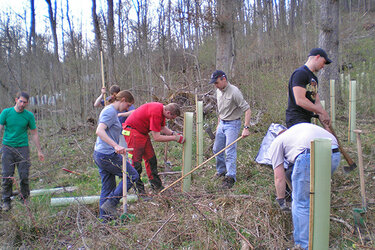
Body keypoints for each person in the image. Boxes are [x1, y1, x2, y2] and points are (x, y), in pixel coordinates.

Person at [268, 123, 341, 249]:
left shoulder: (276, 142)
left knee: (301, 203)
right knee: (317, 198)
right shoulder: (295, 131)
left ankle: (303, 245)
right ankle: (318, 239)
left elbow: (279, 177)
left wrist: (281, 200)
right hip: (334, 153)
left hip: (309, 155)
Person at [93, 90, 139, 220]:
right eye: (128, 105)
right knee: (132, 175)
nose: (128, 108)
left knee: (108, 187)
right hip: (106, 155)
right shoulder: (110, 112)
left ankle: (105, 221)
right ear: (123, 100)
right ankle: (111, 204)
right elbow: (99, 131)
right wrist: (115, 146)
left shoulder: (113, 112)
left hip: (101, 154)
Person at [123, 102, 185, 194]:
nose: (171, 119)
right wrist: (174, 138)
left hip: (142, 132)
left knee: (151, 159)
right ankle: (140, 192)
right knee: (136, 164)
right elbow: (157, 138)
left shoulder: (161, 110)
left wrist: (173, 133)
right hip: (133, 132)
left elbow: (162, 128)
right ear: (168, 113)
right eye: (172, 117)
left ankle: (157, 187)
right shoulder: (156, 113)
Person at [0, 91, 44, 211]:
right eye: (20, 101)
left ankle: (25, 199)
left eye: (25, 102)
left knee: (24, 175)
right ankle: (6, 201)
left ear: (27, 103)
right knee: (7, 176)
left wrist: (39, 150)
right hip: (7, 148)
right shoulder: (6, 112)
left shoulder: (28, 116)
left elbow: (34, 133)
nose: (22, 104)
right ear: (16, 100)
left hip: (23, 148)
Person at [209, 70, 251, 189]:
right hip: (222, 123)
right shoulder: (218, 91)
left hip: (233, 124)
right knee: (217, 149)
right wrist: (218, 125)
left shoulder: (234, 92)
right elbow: (220, 110)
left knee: (230, 151)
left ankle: (230, 177)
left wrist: (246, 128)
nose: (215, 85)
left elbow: (247, 110)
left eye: (216, 82)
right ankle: (221, 170)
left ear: (224, 79)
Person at [285, 48, 332, 129]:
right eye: (323, 62)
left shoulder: (314, 78)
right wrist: (321, 111)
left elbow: (316, 102)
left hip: (306, 119)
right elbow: (300, 100)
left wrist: (326, 124)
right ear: (317, 57)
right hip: (296, 119)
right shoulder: (300, 73)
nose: (323, 66)